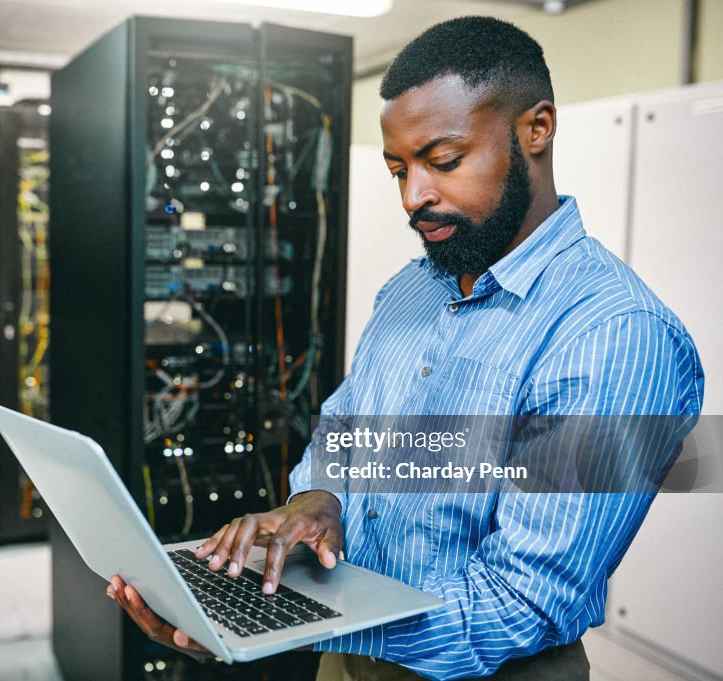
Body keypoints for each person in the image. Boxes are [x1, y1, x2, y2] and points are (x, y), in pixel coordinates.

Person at [108, 15, 703, 680]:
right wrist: (321, 498)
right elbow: (345, 432)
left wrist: (267, 623)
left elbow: (521, 601)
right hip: (346, 652)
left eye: (443, 161)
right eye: (398, 170)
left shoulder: (615, 334)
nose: (414, 197)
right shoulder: (410, 291)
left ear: (536, 128)